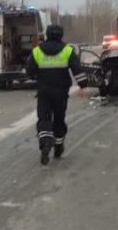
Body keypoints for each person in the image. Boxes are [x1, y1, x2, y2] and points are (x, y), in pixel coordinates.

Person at [26, 24, 89, 165]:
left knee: (44, 118)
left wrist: (38, 77)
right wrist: (83, 85)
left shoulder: (37, 51)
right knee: (59, 119)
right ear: (61, 35)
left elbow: (29, 70)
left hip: (44, 91)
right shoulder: (67, 50)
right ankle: (58, 147)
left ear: (47, 34)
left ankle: (46, 142)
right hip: (61, 92)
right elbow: (77, 68)